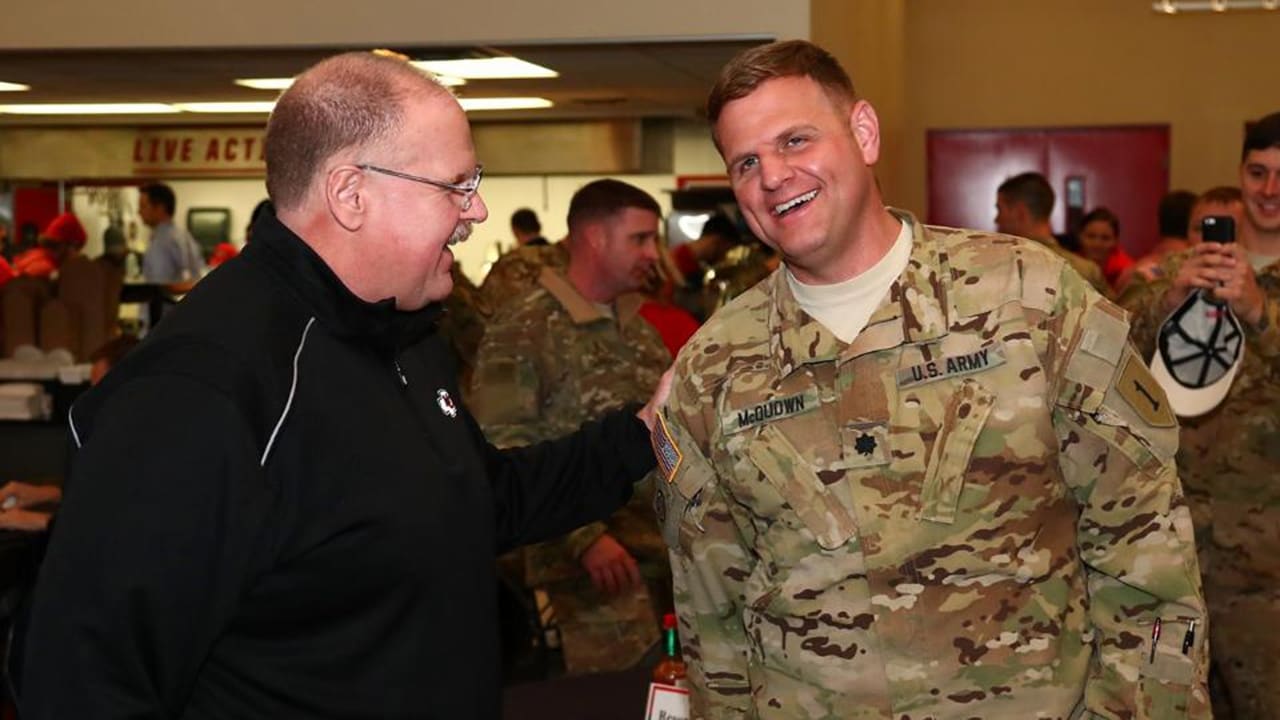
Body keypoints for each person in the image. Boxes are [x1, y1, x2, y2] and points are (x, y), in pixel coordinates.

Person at [13, 51, 668, 719]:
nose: (477, 210)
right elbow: (82, 677)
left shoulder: (399, 334)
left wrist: (644, 433)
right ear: (351, 193)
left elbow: (474, 501)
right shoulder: (205, 389)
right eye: (456, 184)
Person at [655, 40, 1209, 719]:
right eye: (746, 163)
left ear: (863, 133)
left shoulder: (1029, 299)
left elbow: (1145, 547)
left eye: (795, 140)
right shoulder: (712, 369)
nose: (772, 176)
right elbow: (714, 621)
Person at [471, 179, 671, 676]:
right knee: (608, 701)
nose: (654, 253)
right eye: (640, 239)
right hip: (587, 574)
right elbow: (501, 447)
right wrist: (585, 540)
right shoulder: (524, 327)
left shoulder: (641, 332)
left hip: (658, 558)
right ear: (596, 239)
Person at [1119, 111, 1280, 720]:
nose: (1269, 189)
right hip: (1170, 559)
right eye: (1257, 172)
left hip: (1267, 571)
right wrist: (1171, 299)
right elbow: (1104, 355)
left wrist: (1261, 313)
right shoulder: (1174, 272)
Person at [995, 171, 1111, 296]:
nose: (996, 219)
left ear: (1020, 212)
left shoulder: (1001, 269)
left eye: (1000, 210)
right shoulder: (1087, 272)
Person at [138, 182, 205, 284]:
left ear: (160, 208)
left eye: (143, 206)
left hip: (169, 299)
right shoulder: (184, 235)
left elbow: (160, 285)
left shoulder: (161, 242)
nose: (139, 211)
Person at [11, 212, 86, 279]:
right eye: (76, 249)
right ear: (72, 246)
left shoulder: (36, 256)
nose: (75, 255)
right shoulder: (46, 267)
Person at [1076, 206, 1133, 289]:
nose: (1097, 244)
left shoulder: (1126, 272)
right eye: (1091, 236)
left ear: (1116, 241)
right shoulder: (1068, 264)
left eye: (1105, 238)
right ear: (1080, 237)